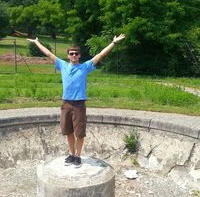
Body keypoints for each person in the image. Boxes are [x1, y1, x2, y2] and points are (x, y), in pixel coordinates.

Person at [27, 34, 126, 168]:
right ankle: (71, 154)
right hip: (66, 104)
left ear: (79, 55)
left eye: (76, 53)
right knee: (68, 131)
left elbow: (100, 55)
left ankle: (78, 156)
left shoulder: (85, 67)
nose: (74, 55)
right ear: (68, 56)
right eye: (71, 53)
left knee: (79, 132)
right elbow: (49, 54)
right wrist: (37, 43)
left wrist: (113, 43)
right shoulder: (62, 65)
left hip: (79, 105)